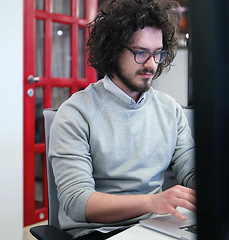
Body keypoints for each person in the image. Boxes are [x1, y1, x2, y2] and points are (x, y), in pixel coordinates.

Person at [48, 0, 196, 239]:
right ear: (114, 50)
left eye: (158, 53)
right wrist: (152, 203)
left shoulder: (169, 109)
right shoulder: (76, 113)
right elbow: (77, 201)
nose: (151, 64)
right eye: (140, 53)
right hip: (98, 231)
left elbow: (190, 171)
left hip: (155, 227)